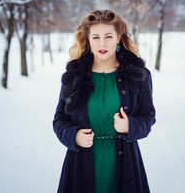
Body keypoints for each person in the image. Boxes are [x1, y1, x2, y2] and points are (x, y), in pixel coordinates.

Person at [53, 10, 156, 193]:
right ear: (88, 39)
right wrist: (74, 136)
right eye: (96, 37)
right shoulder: (74, 76)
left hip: (125, 165)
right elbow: (59, 119)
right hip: (80, 164)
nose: (102, 43)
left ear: (118, 38)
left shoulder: (138, 76)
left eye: (108, 36)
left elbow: (148, 117)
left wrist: (129, 126)